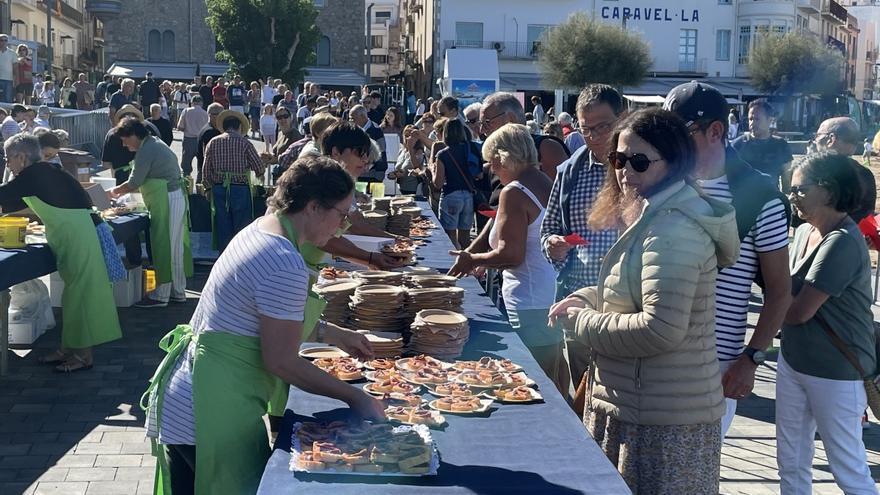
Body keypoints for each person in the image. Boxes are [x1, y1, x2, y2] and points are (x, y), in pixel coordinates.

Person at [144, 155, 385, 494]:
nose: (342, 226)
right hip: (208, 411)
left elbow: (261, 315)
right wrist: (355, 398)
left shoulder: (262, 227)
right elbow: (281, 361)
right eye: (341, 215)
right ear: (313, 207)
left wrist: (334, 333)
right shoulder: (283, 261)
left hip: (190, 398)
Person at [551, 108, 739, 494]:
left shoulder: (672, 228)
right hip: (643, 408)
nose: (624, 172)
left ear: (673, 163)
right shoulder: (655, 216)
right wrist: (586, 297)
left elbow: (659, 328)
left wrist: (583, 321)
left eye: (638, 161)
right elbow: (633, 294)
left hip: (661, 424)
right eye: (618, 159)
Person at [664, 81, 792, 438]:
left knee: (695, 466)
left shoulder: (760, 197)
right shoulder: (666, 184)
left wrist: (752, 358)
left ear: (715, 131)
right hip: (657, 355)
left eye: (680, 133)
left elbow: (780, 291)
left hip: (714, 364)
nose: (669, 144)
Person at [778, 151, 877, 494]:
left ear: (829, 190)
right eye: (790, 189)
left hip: (836, 370)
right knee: (791, 462)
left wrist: (772, 297)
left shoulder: (843, 241)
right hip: (795, 360)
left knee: (848, 470)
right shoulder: (805, 232)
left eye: (800, 189)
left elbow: (798, 311)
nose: (792, 197)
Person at [448, 123, 565, 392]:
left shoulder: (513, 191)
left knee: (529, 385)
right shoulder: (544, 181)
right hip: (548, 296)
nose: (490, 169)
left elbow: (511, 255)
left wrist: (473, 260)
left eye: (492, 162)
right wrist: (476, 255)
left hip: (528, 302)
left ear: (503, 158)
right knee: (550, 380)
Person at [0, 134, 122, 372]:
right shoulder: (46, 172)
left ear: (21, 157)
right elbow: (11, 204)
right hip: (75, 236)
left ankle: (84, 356)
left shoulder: (33, 175)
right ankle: (68, 348)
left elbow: (4, 196)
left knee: (80, 296)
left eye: (8, 159)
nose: (7, 164)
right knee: (72, 296)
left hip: (78, 238)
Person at [540, 84, 625, 394]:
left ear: (622, 119)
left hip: (625, 309)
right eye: (586, 129)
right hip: (579, 306)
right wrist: (553, 246)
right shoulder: (570, 171)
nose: (594, 136)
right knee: (583, 395)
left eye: (603, 126)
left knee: (618, 396)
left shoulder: (640, 167)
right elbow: (548, 228)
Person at [109, 118, 192, 308]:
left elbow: (134, 182)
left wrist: (111, 192)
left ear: (133, 135)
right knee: (175, 247)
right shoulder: (154, 143)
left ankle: (161, 295)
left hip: (167, 198)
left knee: (165, 245)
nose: (124, 144)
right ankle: (177, 291)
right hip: (174, 196)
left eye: (125, 140)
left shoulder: (146, 150)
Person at [202, 110, 266, 252]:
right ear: (239, 127)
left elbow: (206, 170)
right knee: (241, 226)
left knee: (222, 225)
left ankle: (224, 256)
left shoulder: (213, 142)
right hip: (240, 188)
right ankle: (240, 255)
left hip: (219, 188)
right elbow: (259, 168)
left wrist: (208, 188)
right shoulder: (245, 143)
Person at [814, 116, 877, 224]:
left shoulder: (814, 171)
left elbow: (799, 217)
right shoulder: (866, 174)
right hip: (855, 232)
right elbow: (867, 215)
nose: (815, 140)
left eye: (818, 135)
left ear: (831, 139)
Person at [429, 118, 480, 249]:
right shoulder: (471, 149)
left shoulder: (443, 154)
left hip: (450, 195)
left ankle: (453, 259)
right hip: (468, 196)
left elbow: (438, 183)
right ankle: (467, 259)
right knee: (465, 237)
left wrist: (433, 170)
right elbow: (479, 175)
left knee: (449, 237)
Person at [731, 99, 793, 189]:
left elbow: (787, 179)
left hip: (771, 195)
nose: (752, 123)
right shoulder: (737, 145)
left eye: (757, 119)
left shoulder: (781, 146)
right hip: (744, 196)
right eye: (750, 119)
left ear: (770, 120)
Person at [350, 104, 388, 182]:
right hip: (357, 174)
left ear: (362, 117)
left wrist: (378, 173)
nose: (351, 121)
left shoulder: (376, 131)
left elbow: (381, 153)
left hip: (373, 175)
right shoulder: (353, 131)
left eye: (353, 118)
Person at [177, 95, 209, 179]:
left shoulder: (186, 111)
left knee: (186, 165)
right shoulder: (205, 113)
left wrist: (188, 128)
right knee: (201, 164)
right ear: (201, 103)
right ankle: (200, 182)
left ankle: (186, 182)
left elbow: (180, 127)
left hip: (188, 139)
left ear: (192, 102)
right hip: (201, 140)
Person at [390, 125, 427, 195]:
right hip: (401, 189)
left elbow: (418, 169)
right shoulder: (402, 150)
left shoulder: (419, 152)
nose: (407, 138)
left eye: (410, 135)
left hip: (414, 190)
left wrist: (411, 149)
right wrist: (394, 174)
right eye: (406, 135)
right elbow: (399, 167)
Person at [195, 103, 225, 184]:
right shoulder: (210, 132)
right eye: (221, 115)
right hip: (209, 174)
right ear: (212, 115)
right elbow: (209, 156)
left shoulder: (208, 128)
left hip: (205, 171)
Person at [0, 34, 17, 103]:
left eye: (5, 40)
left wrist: (15, 80)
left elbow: (15, 68)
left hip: (8, 80)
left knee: (8, 99)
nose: (3, 42)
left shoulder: (12, 53)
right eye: (1, 40)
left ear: (7, 42)